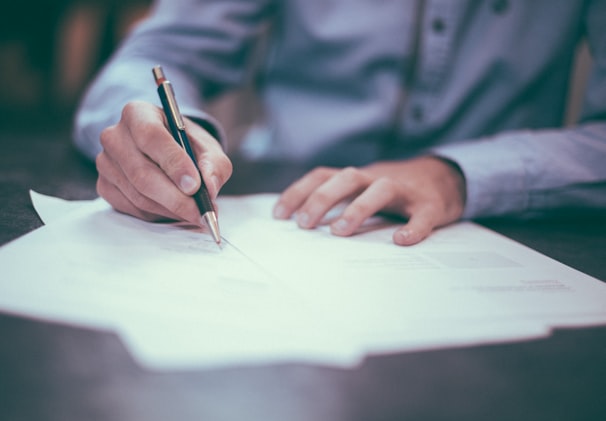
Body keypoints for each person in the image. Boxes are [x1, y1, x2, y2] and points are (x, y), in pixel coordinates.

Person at [73, 0, 606, 246]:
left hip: (510, 227)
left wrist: (457, 174)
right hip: (285, 207)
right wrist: (161, 135)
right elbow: (160, 53)